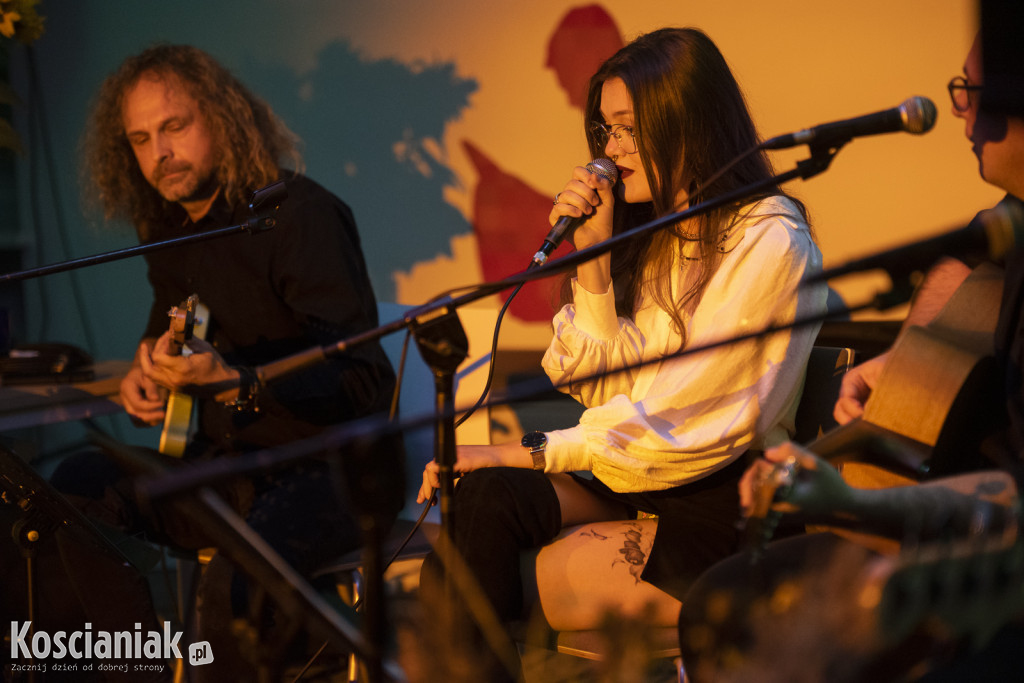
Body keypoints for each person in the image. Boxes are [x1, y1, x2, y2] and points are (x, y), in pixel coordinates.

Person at [416, 27, 827, 680]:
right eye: (605, 131)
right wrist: (595, 260)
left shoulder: (770, 237)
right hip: (644, 473)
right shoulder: (663, 235)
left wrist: (519, 448)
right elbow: (613, 394)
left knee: (492, 481)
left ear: (687, 120)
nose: (612, 152)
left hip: (719, 493)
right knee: (484, 499)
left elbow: (680, 421)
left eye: (628, 128)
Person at [678, 18, 1024, 682]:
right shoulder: (1004, 227)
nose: (960, 109)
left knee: (733, 609)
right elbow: (965, 280)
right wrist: (902, 367)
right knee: (718, 599)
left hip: (985, 552)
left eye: (971, 88)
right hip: (932, 503)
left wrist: (854, 502)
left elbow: (1015, 496)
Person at [49, 44, 403, 680]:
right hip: (221, 470)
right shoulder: (166, 226)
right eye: (140, 138)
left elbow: (363, 384)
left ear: (224, 115)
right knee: (70, 491)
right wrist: (146, 375)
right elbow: (169, 328)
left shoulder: (300, 217)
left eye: (174, 126)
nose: (159, 152)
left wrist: (238, 384)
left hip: (324, 474)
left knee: (232, 588)